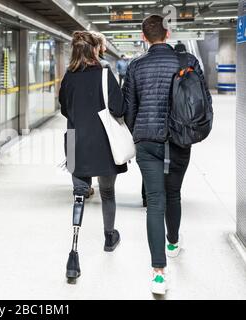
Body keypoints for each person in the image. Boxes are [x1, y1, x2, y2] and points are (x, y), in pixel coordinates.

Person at [123, 15, 212, 295]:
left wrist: (139, 131)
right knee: (173, 194)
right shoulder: (187, 62)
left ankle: (158, 273)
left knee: (155, 202)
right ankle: (173, 243)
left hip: (147, 141)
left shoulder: (136, 65)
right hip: (179, 139)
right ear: (168, 32)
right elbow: (204, 102)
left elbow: (129, 109)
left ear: (144, 36)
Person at [60, 31, 126, 282]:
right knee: (107, 192)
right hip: (103, 142)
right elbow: (119, 108)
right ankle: (110, 237)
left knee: (79, 195)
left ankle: (73, 254)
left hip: (76, 142)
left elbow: (65, 108)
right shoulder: (106, 74)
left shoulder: (68, 76)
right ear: (95, 50)